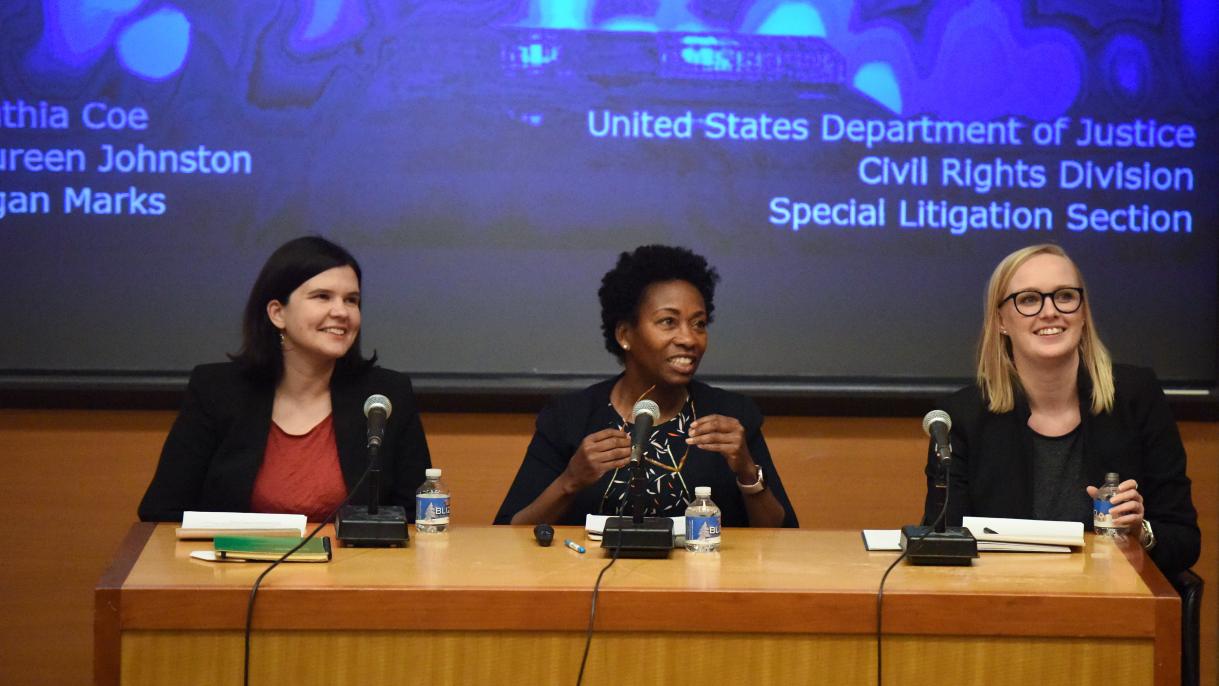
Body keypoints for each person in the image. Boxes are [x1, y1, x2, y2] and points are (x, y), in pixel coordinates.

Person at [923, 243, 1199, 574]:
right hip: (1002, 604)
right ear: (1001, 322)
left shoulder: (1137, 397)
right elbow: (942, 544)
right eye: (1028, 299)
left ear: (1083, 312)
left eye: (1065, 296)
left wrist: (1141, 533)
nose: (1050, 311)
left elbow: (1184, 542)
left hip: (1115, 608)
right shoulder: (961, 418)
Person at [494, 245, 798, 528]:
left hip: (704, 582)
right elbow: (510, 533)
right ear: (625, 333)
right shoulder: (569, 417)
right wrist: (569, 481)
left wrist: (747, 471)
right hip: (591, 582)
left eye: (699, 324)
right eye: (668, 322)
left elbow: (783, 537)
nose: (689, 339)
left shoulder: (731, 415)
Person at [138, 236, 431, 522]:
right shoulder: (216, 390)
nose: (342, 312)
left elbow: (417, 516)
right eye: (322, 297)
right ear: (277, 313)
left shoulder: (386, 395)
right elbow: (162, 511)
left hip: (355, 568)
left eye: (352, 300)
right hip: (237, 566)